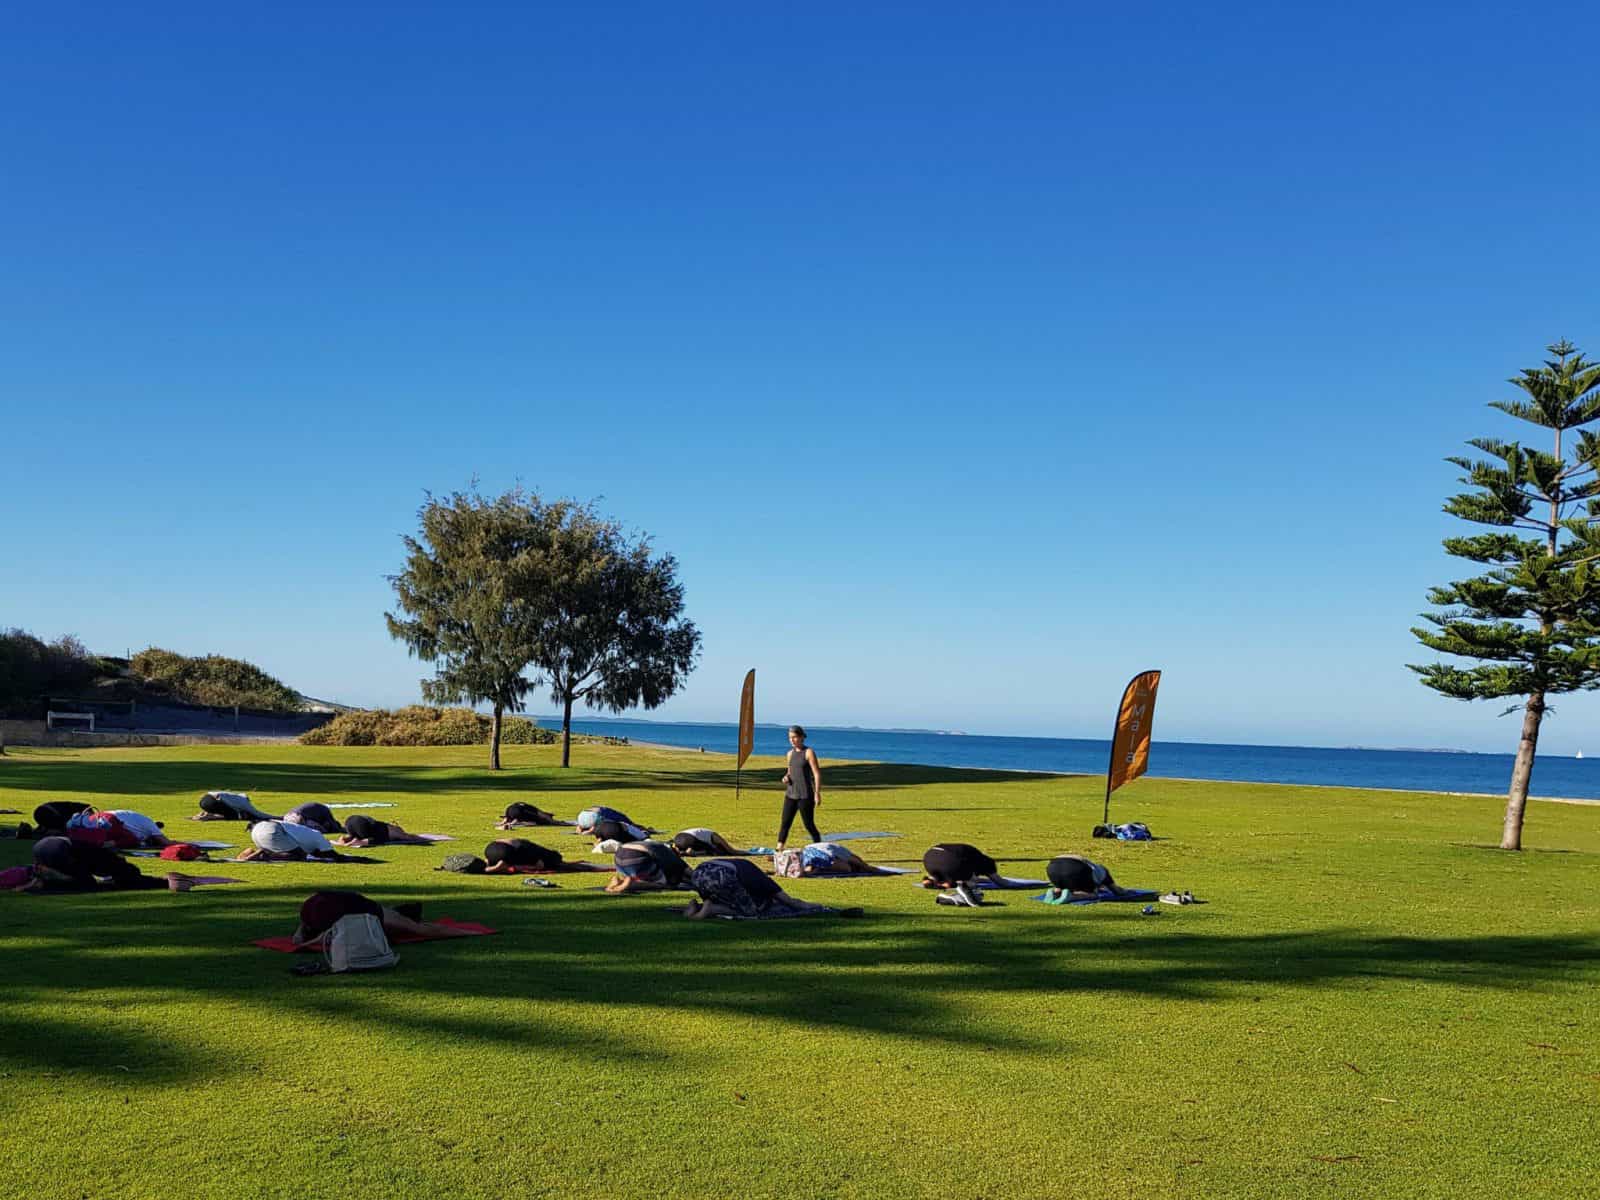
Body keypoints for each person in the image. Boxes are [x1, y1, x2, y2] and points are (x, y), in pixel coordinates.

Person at [683, 858, 861, 920]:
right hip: (721, 876)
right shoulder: (765, 882)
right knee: (750, 911)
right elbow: (791, 902)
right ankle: (707, 910)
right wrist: (813, 907)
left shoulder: (746, 869)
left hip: (699, 873)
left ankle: (696, 908)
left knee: (724, 898)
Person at [290, 890, 478, 946]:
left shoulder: (313, 914)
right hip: (330, 906)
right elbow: (425, 930)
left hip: (321, 903)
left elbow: (303, 936)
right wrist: (466, 932)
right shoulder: (382, 916)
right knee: (415, 928)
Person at [17, 835, 198, 892]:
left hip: (43, 846)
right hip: (57, 848)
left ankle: (41, 882)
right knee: (85, 884)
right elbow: (88, 881)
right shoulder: (104, 860)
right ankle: (44, 885)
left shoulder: (98, 857)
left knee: (77, 878)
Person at [776, 725, 822, 851]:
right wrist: (786, 777)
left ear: (801, 737)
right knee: (785, 823)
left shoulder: (808, 752)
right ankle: (779, 849)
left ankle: (819, 846)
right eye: (790, 738)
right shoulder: (790, 754)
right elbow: (789, 772)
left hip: (805, 795)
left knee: (808, 824)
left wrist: (817, 793)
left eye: (795, 737)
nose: (792, 740)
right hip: (790, 794)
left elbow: (816, 773)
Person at [604, 840, 691, 894]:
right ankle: (631, 884)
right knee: (663, 883)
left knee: (645, 874)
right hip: (635, 856)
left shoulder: (656, 844)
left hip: (619, 855)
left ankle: (620, 881)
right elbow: (686, 871)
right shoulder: (670, 854)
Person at [1044, 854, 1135, 900]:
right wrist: (1127, 892)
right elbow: (1118, 891)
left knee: (1064, 883)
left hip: (1052, 868)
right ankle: (1072, 896)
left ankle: (1056, 892)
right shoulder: (1104, 873)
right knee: (1093, 895)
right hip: (1074, 868)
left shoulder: (1093, 871)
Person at [240, 819, 340, 861]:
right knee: (300, 855)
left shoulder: (310, 835)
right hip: (271, 829)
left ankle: (251, 853)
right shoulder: (319, 837)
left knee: (285, 852)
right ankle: (265, 854)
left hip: (257, 831)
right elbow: (333, 855)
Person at [921, 843, 1002, 892]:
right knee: (967, 881)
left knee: (965, 878)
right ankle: (939, 883)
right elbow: (1000, 882)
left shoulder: (973, 856)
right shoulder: (985, 863)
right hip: (946, 861)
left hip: (930, 855)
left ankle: (932, 880)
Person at [481, 839, 587, 873]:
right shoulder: (537, 853)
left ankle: (489, 863)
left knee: (512, 858)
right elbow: (539, 866)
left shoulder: (530, 846)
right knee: (530, 866)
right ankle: (499, 866)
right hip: (505, 852)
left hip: (490, 848)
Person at [334, 815, 434, 848]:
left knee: (356, 836)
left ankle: (351, 839)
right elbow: (379, 840)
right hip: (366, 827)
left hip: (352, 823)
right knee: (408, 837)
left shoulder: (380, 827)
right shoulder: (392, 829)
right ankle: (358, 841)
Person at [799, 841, 893, 876]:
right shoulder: (846, 854)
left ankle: (809, 868)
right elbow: (858, 862)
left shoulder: (839, 852)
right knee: (847, 869)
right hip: (815, 853)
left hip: (807, 851)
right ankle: (809, 869)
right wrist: (868, 868)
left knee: (846, 868)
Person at [192, 791, 280, 822]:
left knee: (233, 814)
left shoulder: (233, 797)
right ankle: (207, 817)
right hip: (212, 801)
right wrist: (279, 817)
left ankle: (204, 816)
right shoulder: (244, 802)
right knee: (234, 816)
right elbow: (260, 815)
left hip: (204, 800)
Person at [670, 828, 745, 857]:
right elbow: (730, 850)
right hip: (691, 839)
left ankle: (681, 851)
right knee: (711, 850)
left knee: (708, 848)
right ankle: (691, 852)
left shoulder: (706, 833)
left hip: (678, 837)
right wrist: (745, 852)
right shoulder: (715, 836)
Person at [496, 802, 566, 829]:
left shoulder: (510, 812)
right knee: (547, 821)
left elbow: (509, 820)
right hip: (520, 810)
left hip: (517, 809)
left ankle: (558, 821)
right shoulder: (536, 812)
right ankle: (556, 821)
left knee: (547, 821)